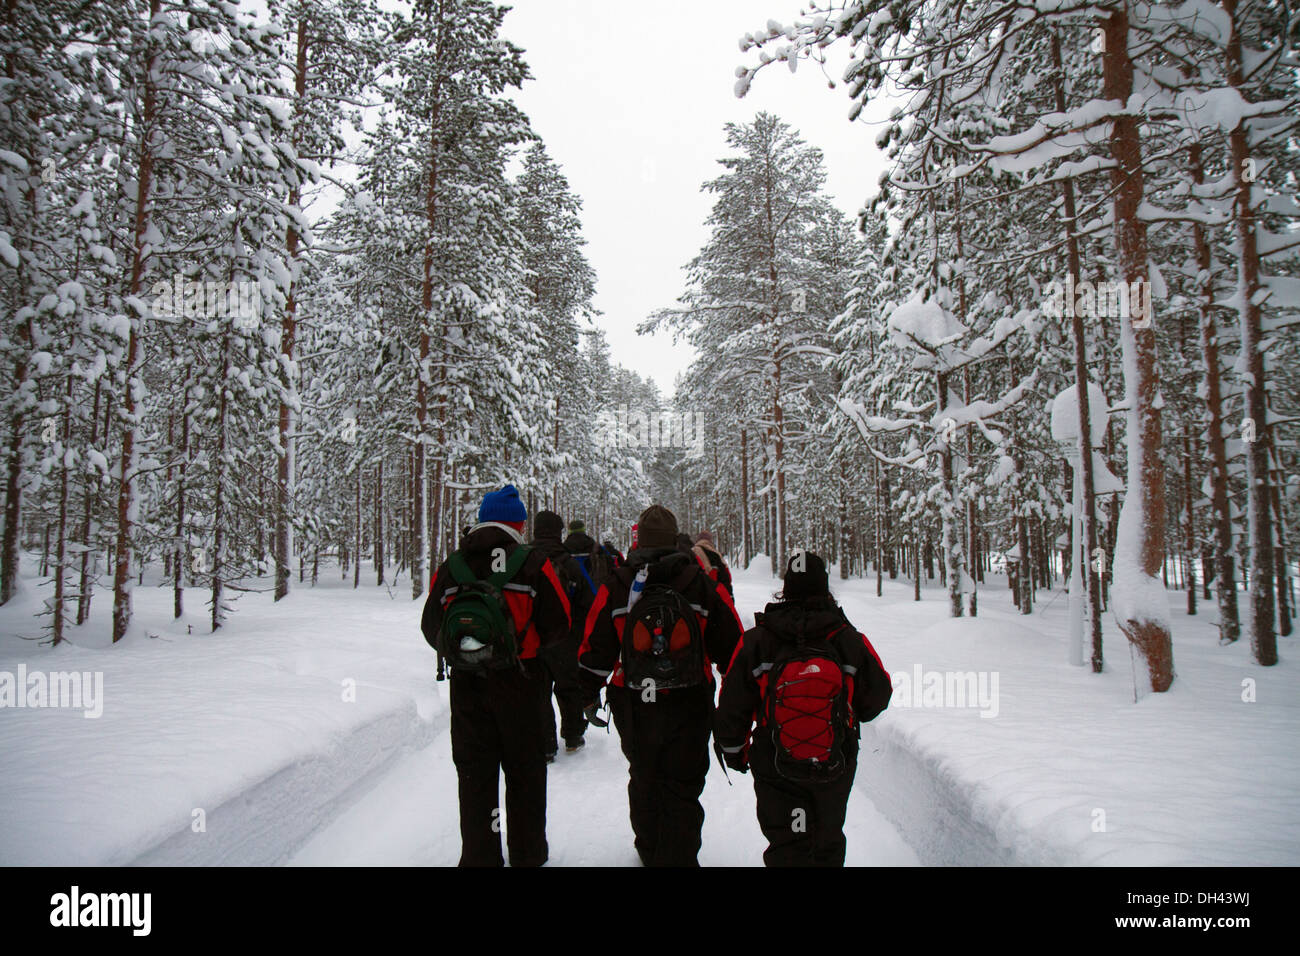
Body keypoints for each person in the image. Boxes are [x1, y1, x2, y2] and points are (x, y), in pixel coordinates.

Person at [578, 504, 744, 866]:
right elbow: (733, 646)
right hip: (689, 701)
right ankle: (679, 856)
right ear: (674, 540)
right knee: (683, 784)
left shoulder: (618, 583)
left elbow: (594, 646)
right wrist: (738, 701)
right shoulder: (699, 582)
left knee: (644, 776)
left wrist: (588, 694)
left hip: (634, 702)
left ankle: (650, 849)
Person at [421, 484, 571, 867]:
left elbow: (430, 626)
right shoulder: (533, 562)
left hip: (468, 686)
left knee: (475, 776)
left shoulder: (454, 564)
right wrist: (523, 644)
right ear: (518, 523)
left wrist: (469, 650)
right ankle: (527, 853)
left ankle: (480, 855)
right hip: (522, 681)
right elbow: (560, 623)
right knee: (525, 773)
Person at [714, 551, 892, 866]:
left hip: (774, 760)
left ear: (786, 589)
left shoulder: (757, 640)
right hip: (834, 758)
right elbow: (878, 696)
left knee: (787, 840)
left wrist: (734, 750)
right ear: (825, 589)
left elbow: (732, 704)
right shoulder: (848, 638)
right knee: (826, 838)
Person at [530, 510, 589, 759]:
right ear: (558, 532)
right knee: (569, 687)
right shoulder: (569, 562)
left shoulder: (524, 559)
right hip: (566, 636)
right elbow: (587, 600)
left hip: (533, 639)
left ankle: (545, 745)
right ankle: (573, 736)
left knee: (539, 692)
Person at [690, 530, 733, 601]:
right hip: (715, 593)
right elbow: (727, 576)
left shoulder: (692, 551)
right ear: (710, 541)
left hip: (696, 594)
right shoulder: (716, 553)